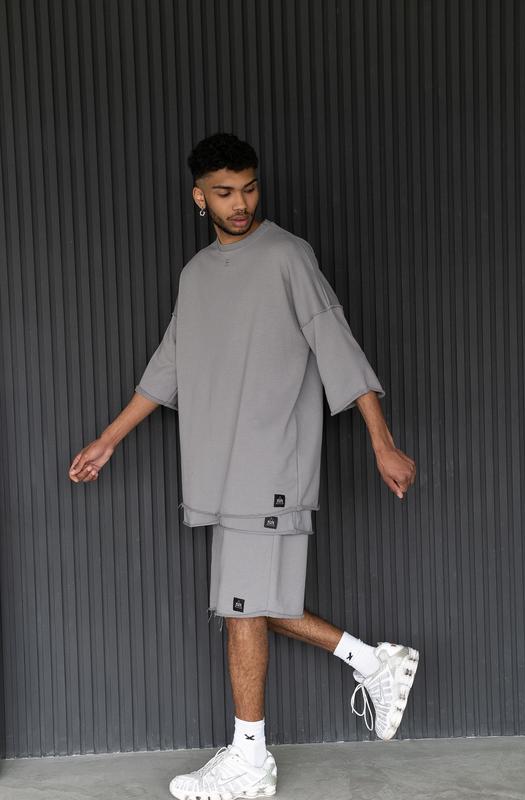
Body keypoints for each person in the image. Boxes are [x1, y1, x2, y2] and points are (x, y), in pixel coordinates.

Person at [68, 132, 418, 800]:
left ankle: (251, 760)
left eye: (249, 188)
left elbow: (336, 344)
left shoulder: (287, 255)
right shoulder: (196, 275)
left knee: (241, 610)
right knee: (247, 602)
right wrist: (108, 439)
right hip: (219, 468)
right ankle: (373, 661)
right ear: (198, 197)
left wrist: (382, 442)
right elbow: (168, 365)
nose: (240, 203)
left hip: (273, 463)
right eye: (224, 192)